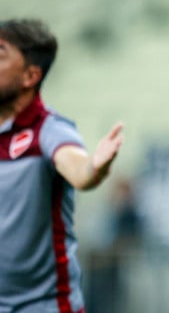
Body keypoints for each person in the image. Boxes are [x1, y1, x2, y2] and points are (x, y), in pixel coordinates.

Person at [0, 18, 124, 312]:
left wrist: (96, 167)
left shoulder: (49, 130)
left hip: (45, 307)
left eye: (0, 54)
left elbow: (80, 172)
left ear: (30, 76)